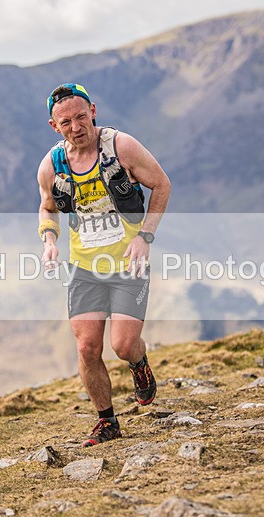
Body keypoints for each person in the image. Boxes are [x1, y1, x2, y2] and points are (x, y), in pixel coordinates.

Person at [36, 83, 171, 447]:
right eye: (66, 122)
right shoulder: (52, 165)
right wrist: (50, 241)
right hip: (84, 268)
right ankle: (106, 421)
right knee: (86, 347)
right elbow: (48, 207)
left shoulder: (120, 146)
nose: (76, 127)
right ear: (54, 126)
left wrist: (145, 237)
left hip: (129, 263)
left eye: (81, 117)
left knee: (124, 345)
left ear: (93, 110)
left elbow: (161, 185)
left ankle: (139, 364)